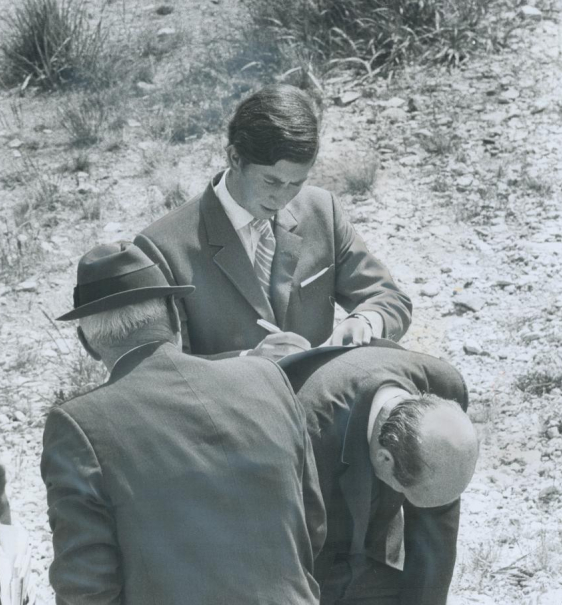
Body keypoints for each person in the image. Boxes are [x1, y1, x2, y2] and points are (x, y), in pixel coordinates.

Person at [41, 242, 325, 605]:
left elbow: (85, 585)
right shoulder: (267, 378)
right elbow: (312, 524)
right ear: (175, 318)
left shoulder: (79, 425)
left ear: (88, 345)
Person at [134, 84, 412, 359]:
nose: (283, 198)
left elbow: (390, 298)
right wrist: (247, 364)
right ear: (234, 158)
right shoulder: (161, 248)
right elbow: (163, 370)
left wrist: (365, 321)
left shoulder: (321, 210)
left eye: (296, 183)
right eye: (271, 181)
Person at [280, 342, 479, 605]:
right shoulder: (308, 431)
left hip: (369, 552)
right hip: (308, 553)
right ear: (385, 458)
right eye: (411, 495)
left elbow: (436, 535)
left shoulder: (443, 387)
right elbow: (285, 556)